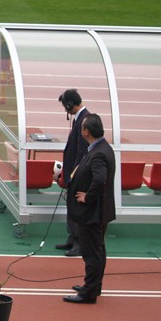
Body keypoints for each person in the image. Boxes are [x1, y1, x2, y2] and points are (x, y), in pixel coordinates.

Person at [63, 114, 116, 304]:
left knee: (91, 252)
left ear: (86, 132)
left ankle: (89, 293)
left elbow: (100, 179)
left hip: (92, 213)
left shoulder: (99, 152)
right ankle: (93, 286)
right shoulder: (101, 147)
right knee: (97, 250)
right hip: (99, 211)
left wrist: (87, 196)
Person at [55, 89, 91, 257]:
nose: (65, 109)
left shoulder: (85, 121)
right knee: (71, 207)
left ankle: (79, 243)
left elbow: (82, 152)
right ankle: (72, 238)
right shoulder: (80, 119)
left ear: (70, 104)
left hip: (78, 175)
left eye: (65, 106)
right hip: (73, 174)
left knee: (77, 210)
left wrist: (74, 174)